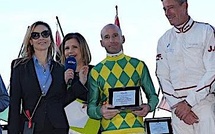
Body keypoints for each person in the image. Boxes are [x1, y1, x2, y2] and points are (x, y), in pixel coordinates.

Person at [8, 21, 87, 134]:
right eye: (36, 35)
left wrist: (80, 83)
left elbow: (64, 100)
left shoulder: (60, 68)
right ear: (30, 41)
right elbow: (14, 103)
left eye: (45, 34)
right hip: (31, 127)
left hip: (58, 128)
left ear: (50, 39)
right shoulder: (19, 66)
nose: (41, 38)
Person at [156, 0, 215, 133]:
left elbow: (212, 71)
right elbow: (162, 76)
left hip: (203, 103)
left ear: (185, 5)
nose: (167, 13)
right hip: (177, 110)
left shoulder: (205, 31)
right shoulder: (164, 40)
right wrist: (178, 106)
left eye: (171, 8)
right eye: (164, 9)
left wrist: (188, 103)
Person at [87, 24, 159, 134]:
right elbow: (91, 107)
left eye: (115, 35)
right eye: (107, 37)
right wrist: (100, 111)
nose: (111, 40)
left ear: (123, 38)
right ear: (101, 43)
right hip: (109, 130)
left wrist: (148, 107)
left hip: (136, 129)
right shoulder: (96, 71)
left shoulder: (138, 65)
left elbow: (153, 96)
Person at [60, 32, 100, 134]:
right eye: (67, 48)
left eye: (74, 47)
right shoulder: (59, 74)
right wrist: (77, 83)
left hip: (93, 128)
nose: (70, 51)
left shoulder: (95, 72)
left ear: (83, 49)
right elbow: (59, 103)